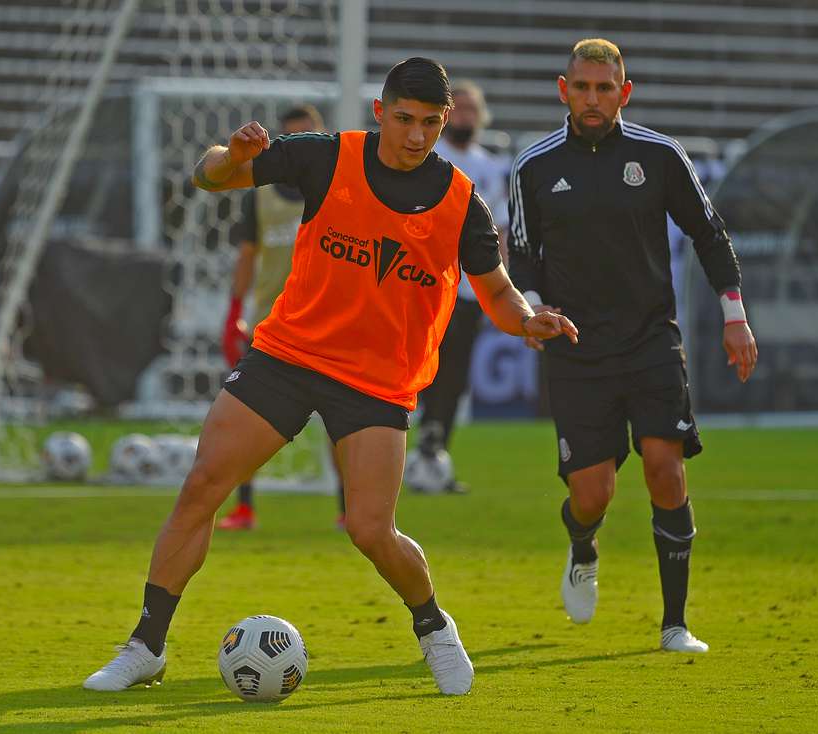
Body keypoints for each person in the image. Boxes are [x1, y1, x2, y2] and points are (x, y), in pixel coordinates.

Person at [83, 57, 577, 696]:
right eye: (404, 119)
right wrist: (230, 155)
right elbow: (209, 178)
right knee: (203, 484)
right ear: (380, 112)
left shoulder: (462, 203)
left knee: (372, 530)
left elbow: (498, 294)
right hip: (289, 356)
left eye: (430, 123)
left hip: (378, 381)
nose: (416, 135)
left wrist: (529, 320)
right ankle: (145, 646)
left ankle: (434, 628)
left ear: (446, 119)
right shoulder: (326, 157)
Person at [508, 39, 757, 653]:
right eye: (583, 88)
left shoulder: (660, 155)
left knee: (664, 469)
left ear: (626, 91)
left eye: (605, 88)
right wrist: (534, 308)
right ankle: (581, 543)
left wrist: (734, 315)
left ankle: (675, 624)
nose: (594, 99)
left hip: (650, 337)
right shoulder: (533, 166)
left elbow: (708, 231)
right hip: (575, 345)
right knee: (592, 494)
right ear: (562, 90)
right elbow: (518, 252)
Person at [215, 104, 348, 531]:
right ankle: (246, 506)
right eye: (291, 137)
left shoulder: (337, 190)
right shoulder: (261, 196)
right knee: (247, 421)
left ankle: (349, 508)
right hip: (269, 326)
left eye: (307, 135)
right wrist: (234, 311)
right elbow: (248, 256)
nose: (300, 145)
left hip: (328, 324)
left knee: (341, 423)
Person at [406, 80, 511, 494]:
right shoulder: (432, 158)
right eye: (459, 109)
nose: (465, 117)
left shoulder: (488, 166)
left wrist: (499, 285)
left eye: (472, 109)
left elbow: (499, 229)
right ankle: (401, 451)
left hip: (468, 291)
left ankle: (434, 458)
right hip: (423, 287)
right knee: (419, 372)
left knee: (454, 376)